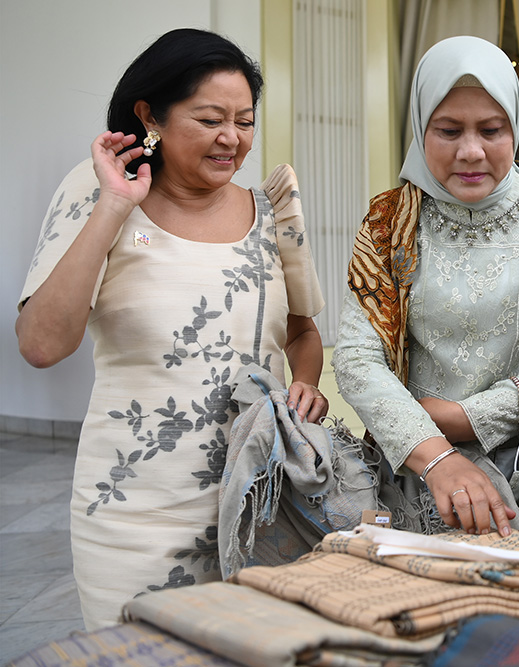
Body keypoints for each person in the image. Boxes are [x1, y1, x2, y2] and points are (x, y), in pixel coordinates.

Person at [15, 29, 328, 630]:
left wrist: (307, 384)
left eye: (244, 120)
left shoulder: (274, 210)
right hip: (133, 515)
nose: (231, 139)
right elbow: (41, 345)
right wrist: (114, 204)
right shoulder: (93, 192)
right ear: (149, 116)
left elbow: (302, 333)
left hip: (260, 505)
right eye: (210, 118)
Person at [332, 36, 519, 538]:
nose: (472, 151)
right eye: (449, 130)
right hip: (409, 465)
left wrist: (463, 418)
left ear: (514, 129)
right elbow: (356, 358)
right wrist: (436, 452)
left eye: (491, 129)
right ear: (420, 128)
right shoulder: (388, 222)